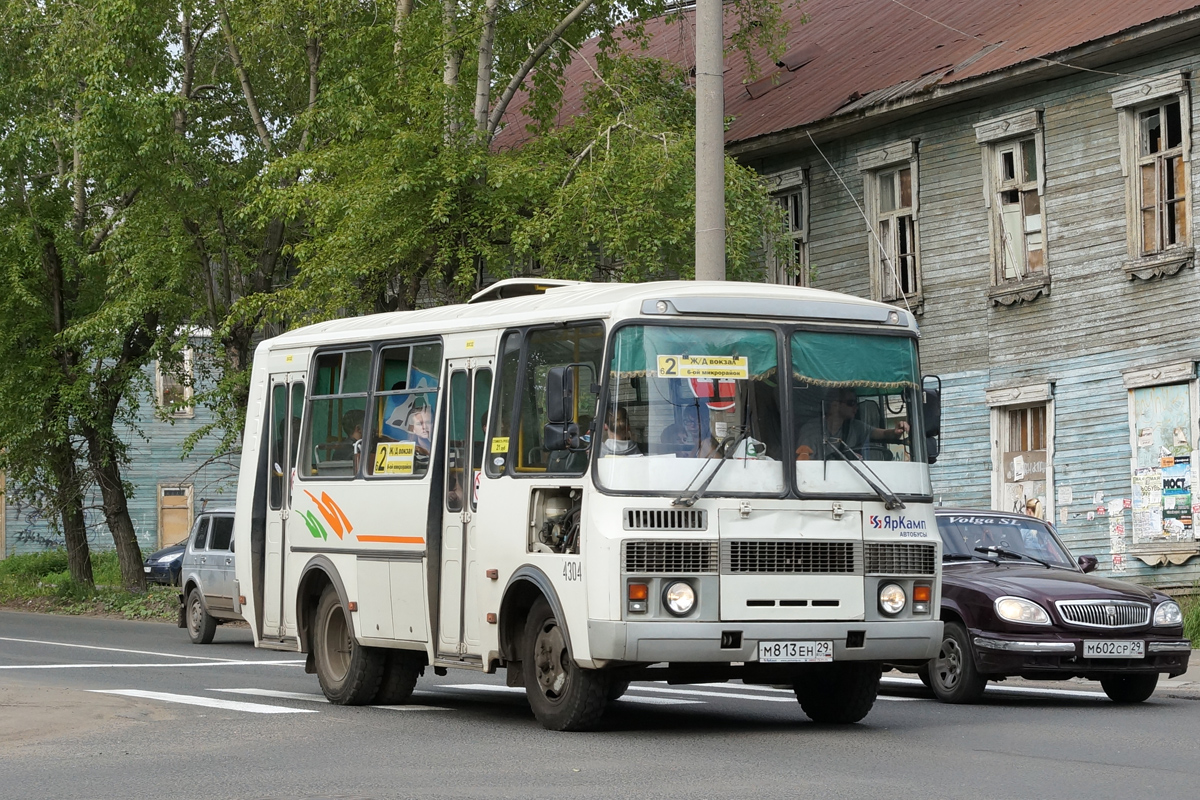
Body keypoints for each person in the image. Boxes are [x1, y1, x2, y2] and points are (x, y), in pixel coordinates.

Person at [795, 388, 909, 460]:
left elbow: (882, 434)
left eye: (856, 403)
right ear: (835, 405)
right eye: (851, 403)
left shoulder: (855, 427)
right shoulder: (811, 430)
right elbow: (804, 464)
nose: (856, 407)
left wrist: (896, 432)